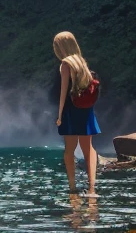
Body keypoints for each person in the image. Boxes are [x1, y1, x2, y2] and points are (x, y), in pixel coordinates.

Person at [53, 31, 100, 198]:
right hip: (86, 109)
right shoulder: (82, 63)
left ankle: (73, 188)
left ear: (61, 47)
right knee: (89, 149)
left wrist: (59, 116)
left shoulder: (65, 64)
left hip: (71, 110)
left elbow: (63, 92)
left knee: (69, 150)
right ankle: (92, 188)